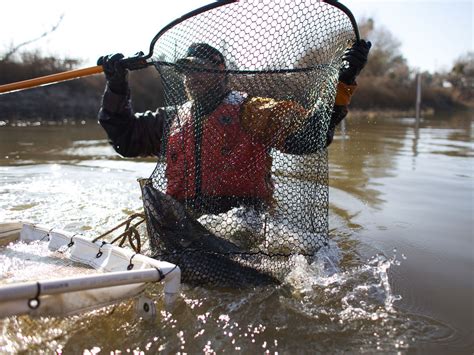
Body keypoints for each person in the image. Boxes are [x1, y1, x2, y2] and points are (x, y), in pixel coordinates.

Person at [98, 41, 371, 216]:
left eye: (200, 70)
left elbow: (311, 136)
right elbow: (124, 139)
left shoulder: (252, 110)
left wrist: (343, 81)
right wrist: (116, 85)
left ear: (222, 74)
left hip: (244, 226)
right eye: (186, 71)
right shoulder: (170, 120)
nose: (191, 78)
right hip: (184, 227)